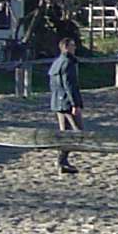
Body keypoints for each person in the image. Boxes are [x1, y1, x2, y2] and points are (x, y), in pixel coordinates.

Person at [48, 35, 83, 175]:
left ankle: (62, 162)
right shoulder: (68, 62)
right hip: (66, 102)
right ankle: (61, 160)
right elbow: (70, 85)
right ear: (67, 47)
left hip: (57, 101)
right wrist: (75, 104)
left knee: (65, 132)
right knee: (78, 132)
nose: (75, 48)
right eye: (73, 45)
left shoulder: (57, 62)